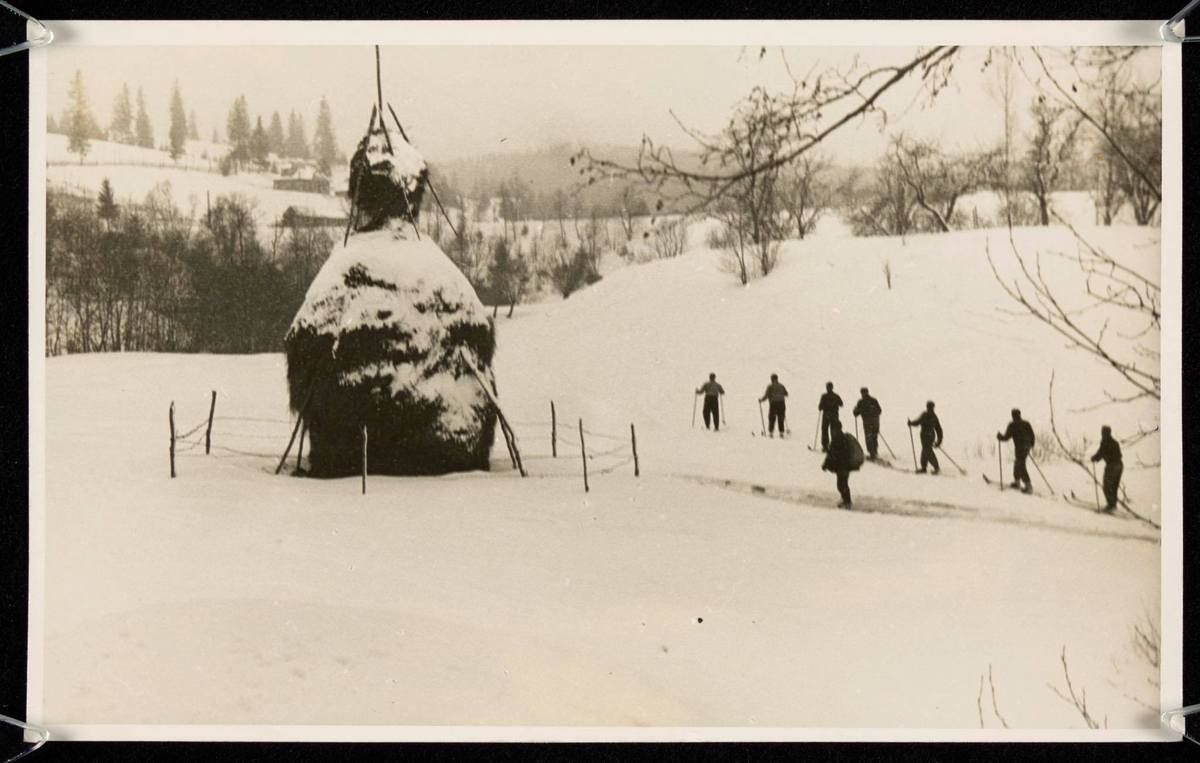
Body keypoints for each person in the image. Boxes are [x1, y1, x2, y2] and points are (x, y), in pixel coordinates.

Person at [996, 408, 1035, 493]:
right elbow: (1032, 435)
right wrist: (1030, 445)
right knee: (1018, 463)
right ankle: (1017, 482)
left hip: (1020, 448)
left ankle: (1028, 486)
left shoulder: (1012, 425)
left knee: (1020, 464)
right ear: (1020, 414)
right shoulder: (1026, 423)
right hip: (1026, 447)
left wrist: (1000, 437)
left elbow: (1006, 438)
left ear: (1013, 415)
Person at [822, 419, 855, 508]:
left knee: (841, 484)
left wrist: (825, 465)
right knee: (843, 483)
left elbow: (831, 454)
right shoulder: (842, 438)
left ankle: (847, 501)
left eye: (832, 429)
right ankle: (846, 500)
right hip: (846, 466)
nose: (831, 431)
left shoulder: (837, 440)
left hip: (842, 466)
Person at [1090, 425, 1123, 512]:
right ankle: (1113, 504)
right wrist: (1097, 457)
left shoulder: (1105, 442)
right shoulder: (1115, 442)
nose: (1102, 434)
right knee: (1114, 486)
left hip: (1112, 466)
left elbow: (1100, 453)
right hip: (1119, 465)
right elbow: (1119, 455)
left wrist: (1094, 458)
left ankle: (1111, 505)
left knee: (1107, 486)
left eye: (1103, 432)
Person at [907, 401, 943, 474]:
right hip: (928, 435)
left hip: (927, 435)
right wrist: (939, 440)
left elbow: (918, 422)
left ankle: (936, 467)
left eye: (929, 406)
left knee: (927, 451)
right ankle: (924, 467)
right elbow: (939, 430)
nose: (929, 408)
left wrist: (911, 423)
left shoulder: (926, 415)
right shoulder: (933, 416)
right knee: (925, 450)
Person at [852, 387, 882, 460]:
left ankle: (872, 452)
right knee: (873, 436)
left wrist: (856, 411)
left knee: (870, 436)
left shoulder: (863, 402)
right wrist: (856, 411)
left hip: (870, 422)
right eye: (862, 393)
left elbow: (879, 410)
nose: (863, 394)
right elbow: (879, 410)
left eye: (863, 392)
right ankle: (874, 451)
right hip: (873, 421)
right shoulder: (871, 401)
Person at [759, 373, 789, 438]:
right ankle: (781, 433)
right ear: (777, 379)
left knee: (772, 417)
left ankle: (771, 432)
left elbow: (766, 395)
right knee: (781, 417)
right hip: (781, 403)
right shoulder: (781, 386)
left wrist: (761, 400)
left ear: (772, 379)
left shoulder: (770, 387)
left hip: (773, 404)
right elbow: (786, 394)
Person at [818, 382, 843, 451]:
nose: (828, 388)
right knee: (833, 430)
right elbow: (841, 404)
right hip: (834, 415)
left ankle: (826, 446)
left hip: (827, 415)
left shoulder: (824, 396)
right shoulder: (835, 396)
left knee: (825, 430)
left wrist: (822, 407)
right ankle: (833, 446)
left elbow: (820, 406)